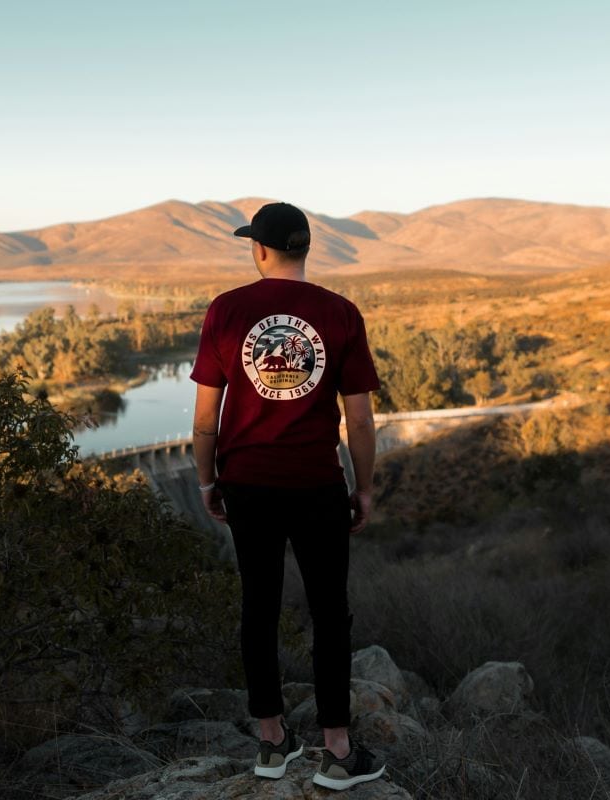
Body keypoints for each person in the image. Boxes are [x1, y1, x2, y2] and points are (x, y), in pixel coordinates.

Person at [190, 201, 386, 790]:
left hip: (248, 484)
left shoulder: (227, 311)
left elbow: (206, 419)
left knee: (260, 608)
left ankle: (272, 743)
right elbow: (361, 420)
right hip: (317, 483)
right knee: (330, 614)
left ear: (260, 249)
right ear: (304, 249)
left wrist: (206, 481)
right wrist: (366, 487)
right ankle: (337, 752)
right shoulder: (340, 313)